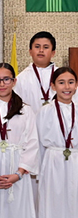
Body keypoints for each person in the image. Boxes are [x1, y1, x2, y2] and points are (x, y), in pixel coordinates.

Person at [0, 63, 39, 218]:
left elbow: (32, 144)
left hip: (17, 171)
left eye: (6, 79)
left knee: (18, 210)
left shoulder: (26, 110)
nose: (2, 84)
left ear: (14, 81)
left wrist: (18, 174)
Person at [37, 67, 78, 218]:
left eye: (71, 82)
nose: (67, 87)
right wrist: (41, 169)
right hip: (52, 162)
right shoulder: (45, 111)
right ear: (53, 86)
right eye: (61, 82)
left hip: (75, 161)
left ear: (76, 85)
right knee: (52, 202)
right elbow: (39, 144)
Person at [14, 31, 59, 114]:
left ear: (53, 53)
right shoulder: (21, 78)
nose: (41, 50)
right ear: (30, 52)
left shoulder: (61, 75)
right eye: (37, 47)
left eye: (46, 47)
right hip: (31, 124)